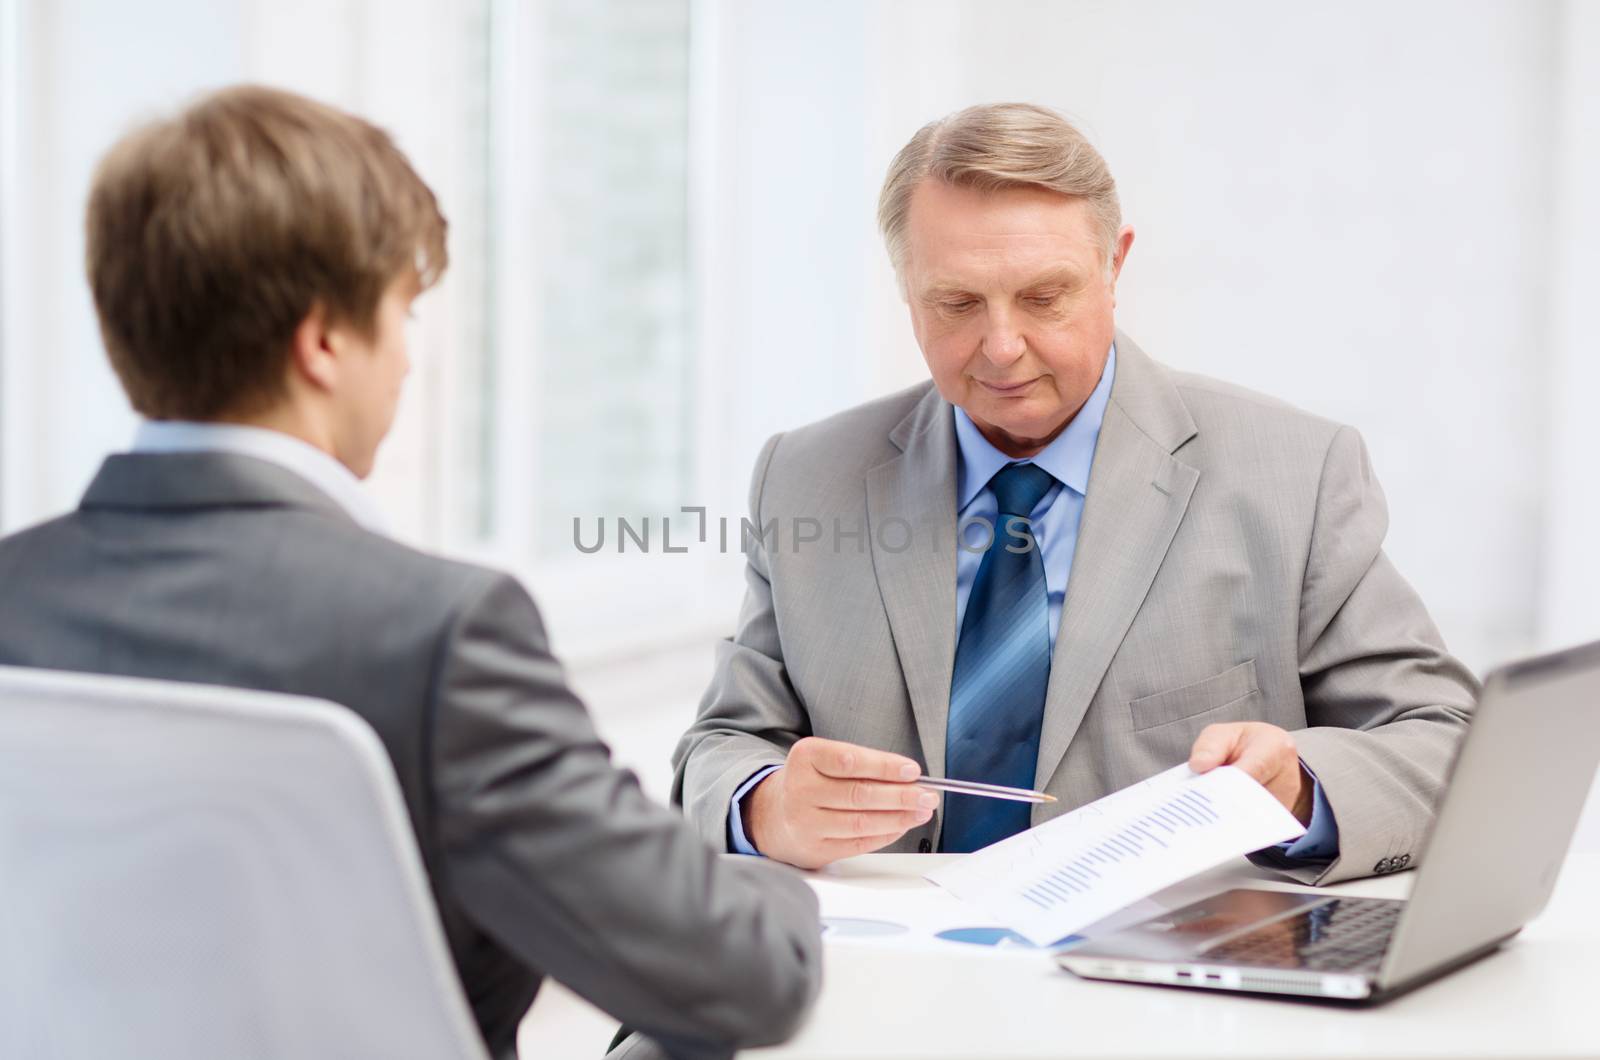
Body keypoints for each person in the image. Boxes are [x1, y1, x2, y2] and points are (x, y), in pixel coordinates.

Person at [0, 85, 819, 1060]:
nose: (404, 363)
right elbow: (741, 979)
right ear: (323, 342)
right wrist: (780, 878)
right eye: (401, 312)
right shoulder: (439, 636)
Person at [673, 102, 1477, 885]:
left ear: (1114, 266)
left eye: (1043, 296)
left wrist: (1300, 786)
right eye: (955, 303)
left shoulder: (1295, 474)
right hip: (877, 976)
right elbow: (722, 744)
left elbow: (1447, 743)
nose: (1001, 347)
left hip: (1163, 988)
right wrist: (767, 806)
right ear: (905, 290)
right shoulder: (808, 476)